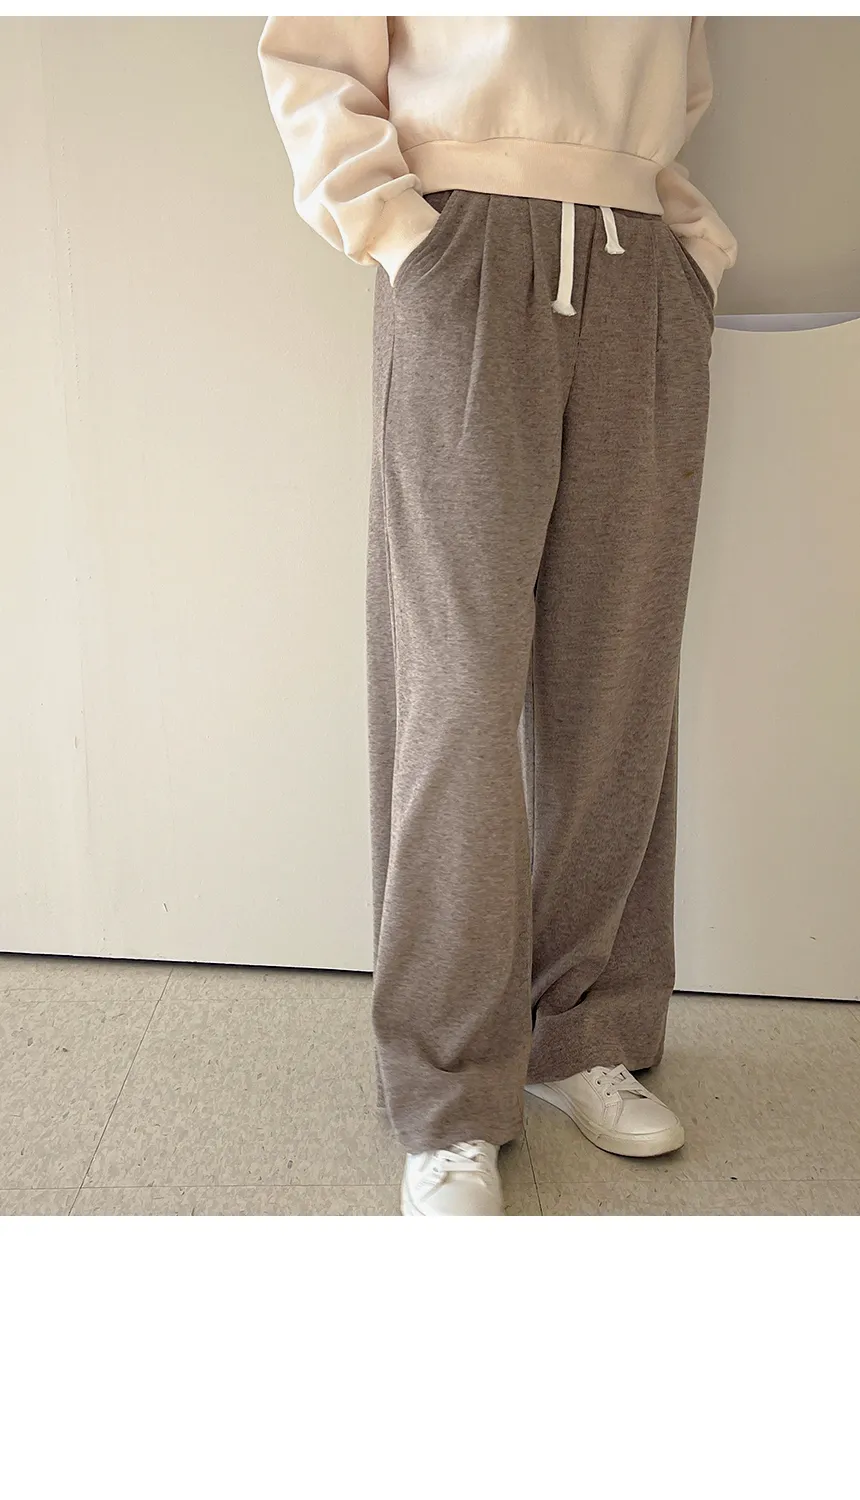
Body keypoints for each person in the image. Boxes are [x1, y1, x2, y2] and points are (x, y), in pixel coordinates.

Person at [257, 16, 737, 1215]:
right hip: (459, 242)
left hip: (638, 261)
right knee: (455, 692)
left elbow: (672, 78)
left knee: (618, 678)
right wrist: (399, 232)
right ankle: (449, 1090)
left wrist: (686, 247)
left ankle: (585, 1032)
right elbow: (312, 57)